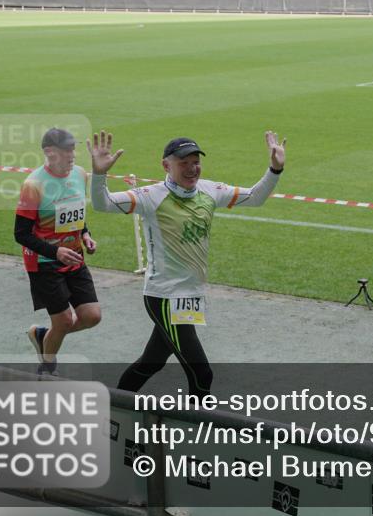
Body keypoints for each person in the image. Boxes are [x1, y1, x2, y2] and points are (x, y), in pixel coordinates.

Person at [88, 130, 285, 397]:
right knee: (202, 373)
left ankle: (113, 406)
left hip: (190, 296)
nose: (192, 169)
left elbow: (255, 197)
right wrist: (99, 174)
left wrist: (275, 169)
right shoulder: (150, 196)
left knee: (152, 362)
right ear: (166, 166)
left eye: (196, 162)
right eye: (184, 163)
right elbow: (103, 204)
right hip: (164, 297)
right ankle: (193, 421)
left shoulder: (210, 190)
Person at [15, 128, 102, 375]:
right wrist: (55, 252)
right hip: (44, 262)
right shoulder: (33, 185)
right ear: (49, 152)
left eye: (73, 149)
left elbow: (75, 211)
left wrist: (85, 234)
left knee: (92, 316)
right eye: (66, 150)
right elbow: (21, 234)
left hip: (74, 257)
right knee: (63, 320)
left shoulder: (80, 174)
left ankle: (43, 336)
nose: (72, 154)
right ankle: (47, 368)